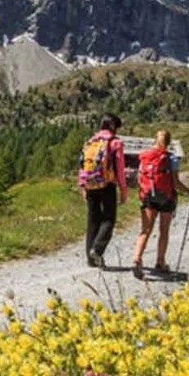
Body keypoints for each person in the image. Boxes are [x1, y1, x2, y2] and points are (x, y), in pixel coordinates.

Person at [131, 129, 189, 278]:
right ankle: (160, 261)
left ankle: (137, 259)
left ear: (155, 139)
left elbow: (140, 179)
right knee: (163, 229)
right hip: (166, 197)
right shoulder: (171, 158)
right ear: (168, 142)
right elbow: (175, 183)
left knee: (145, 230)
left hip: (148, 196)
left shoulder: (145, 157)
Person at [78, 113, 127, 268]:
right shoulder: (115, 143)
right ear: (113, 126)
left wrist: (82, 185)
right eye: (116, 127)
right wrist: (123, 189)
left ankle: (90, 259)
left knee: (92, 221)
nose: (117, 131)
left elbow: (81, 165)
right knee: (109, 219)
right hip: (107, 185)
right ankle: (97, 250)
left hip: (90, 184)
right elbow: (120, 169)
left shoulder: (90, 142)